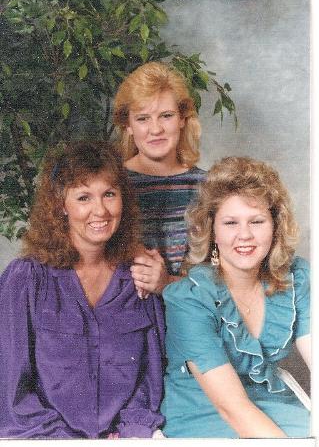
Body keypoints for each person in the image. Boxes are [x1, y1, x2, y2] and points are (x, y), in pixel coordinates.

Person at [0, 141, 165, 439]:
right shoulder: (26, 281)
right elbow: (11, 391)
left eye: (109, 194)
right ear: (61, 205)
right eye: (84, 197)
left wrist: (130, 430)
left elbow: (150, 378)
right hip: (41, 440)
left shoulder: (139, 278)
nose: (100, 210)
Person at [161, 156, 310, 438]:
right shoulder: (189, 297)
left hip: (273, 402)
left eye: (257, 221)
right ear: (212, 229)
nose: (245, 235)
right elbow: (233, 409)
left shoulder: (297, 277)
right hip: (206, 413)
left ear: (275, 226)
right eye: (230, 223)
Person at [113, 61, 207, 295]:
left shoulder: (209, 187)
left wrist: (167, 283)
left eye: (166, 116)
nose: (155, 130)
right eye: (143, 118)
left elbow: (222, 276)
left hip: (189, 315)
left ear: (183, 119)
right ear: (128, 125)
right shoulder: (110, 185)